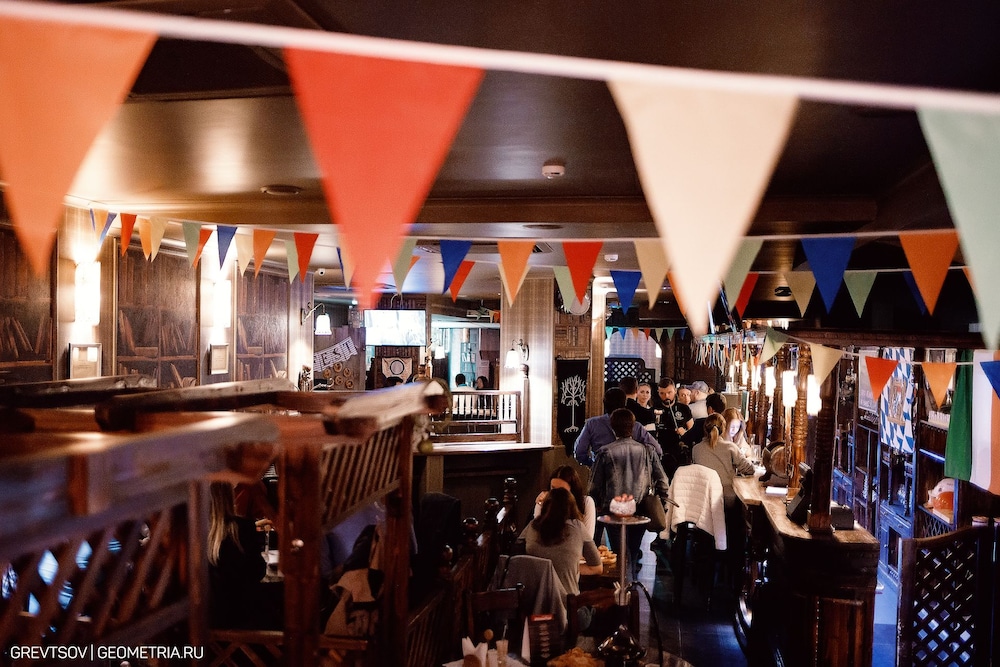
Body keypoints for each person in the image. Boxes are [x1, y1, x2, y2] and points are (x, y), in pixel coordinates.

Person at [588, 409, 669, 580]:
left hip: (613, 511)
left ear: (613, 427)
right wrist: (664, 502)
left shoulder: (605, 452)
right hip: (640, 508)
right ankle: (631, 584)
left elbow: (594, 486)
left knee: (619, 551)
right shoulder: (647, 451)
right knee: (633, 549)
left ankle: (622, 585)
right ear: (633, 426)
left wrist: (595, 504)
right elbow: (662, 480)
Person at [207, 481, 281, 629]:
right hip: (240, 619)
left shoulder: (194, 531)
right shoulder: (243, 528)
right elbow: (258, 572)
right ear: (229, 496)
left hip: (208, 620)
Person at [691, 413, 756, 566]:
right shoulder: (730, 447)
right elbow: (750, 469)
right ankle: (732, 557)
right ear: (724, 428)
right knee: (739, 518)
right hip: (726, 500)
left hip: (703, 500)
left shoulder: (696, 449)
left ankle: (708, 550)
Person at [518, 487, 603, 598]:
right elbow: (597, 568)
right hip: (567, 602)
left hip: (534, 601)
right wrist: (569, 566)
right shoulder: (577, 527)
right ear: (572, 508)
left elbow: (516, 557)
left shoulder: (532, 526)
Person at [574, 388, 662, 466]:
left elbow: (579, 452)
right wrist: (640, 465)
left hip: (602, 475)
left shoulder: (592, 424)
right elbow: (657, 450)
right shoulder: (635, 426)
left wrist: (594, 464)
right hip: (632, 475)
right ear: (625, 404)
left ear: (604, 403)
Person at [534, 465, 597, 539]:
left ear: (572, 491)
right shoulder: (544, 502)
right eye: (553, 489)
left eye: (562, 490)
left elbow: (588, 538)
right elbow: (538, 536)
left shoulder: (586, 503)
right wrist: (541, 506)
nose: (556, 494)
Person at [651, 377, 694, 477]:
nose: (666, 396)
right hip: (661, 451)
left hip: (680, 451)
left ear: (675, 391)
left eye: (669, 392)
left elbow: (692, 432)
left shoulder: (684, 408)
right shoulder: (654, 409)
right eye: (662, 393)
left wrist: (685, 433)